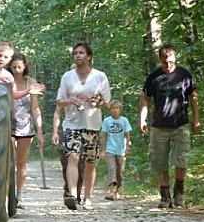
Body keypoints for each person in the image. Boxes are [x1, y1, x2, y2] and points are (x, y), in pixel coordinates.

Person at [139, 44, 200, 208]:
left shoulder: (184, 75)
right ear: (160, 60)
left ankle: (179, 192)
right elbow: (145, 98)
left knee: (181, 159)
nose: (168, 63)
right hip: (159, 125)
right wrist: (142, 120)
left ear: (175, 57)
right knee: (160, 161)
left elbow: (193, 97)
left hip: (180, 123)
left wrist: (196, 119)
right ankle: (165, 195)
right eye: (165, 60)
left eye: (171, 59)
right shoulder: (154, 77)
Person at [56, 42, 111, 210]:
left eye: (81, 53)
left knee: (89, 162)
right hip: (72, 123)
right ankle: (72, 194)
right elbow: (59, 101)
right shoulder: (67, 77)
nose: (77, 56)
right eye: (75, 53)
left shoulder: (100, 77)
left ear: (89, 56)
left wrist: (92, 100)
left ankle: (88, 197)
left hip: (92, 124)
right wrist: (71, 100)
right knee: (73, 156)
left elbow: (105, 102)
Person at [9, 53, 44, 209]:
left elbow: (35, 108)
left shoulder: (31, 83)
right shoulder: (7, 81)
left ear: (24, 66)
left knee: (21, 162)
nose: (16, 70)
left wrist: (40, 131)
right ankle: (5, 194)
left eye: (19, 67)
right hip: (8, 124)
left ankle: (19, 195)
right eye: (14, 67)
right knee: (8, 161)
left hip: (25, 125)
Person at [100, 100, 132, 201]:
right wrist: (103, 151)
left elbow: (127, 135)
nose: (115, 110)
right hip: (110, 149)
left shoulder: (124, 121)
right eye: (113, 108)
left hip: (121, 150)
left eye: (117, 108)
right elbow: (104, 136)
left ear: (120, 110)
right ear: (110, 109)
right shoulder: (107, 121)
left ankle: (118, 190)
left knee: (120, 171)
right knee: (112, 169)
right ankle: (111, 192)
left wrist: (127, 148)